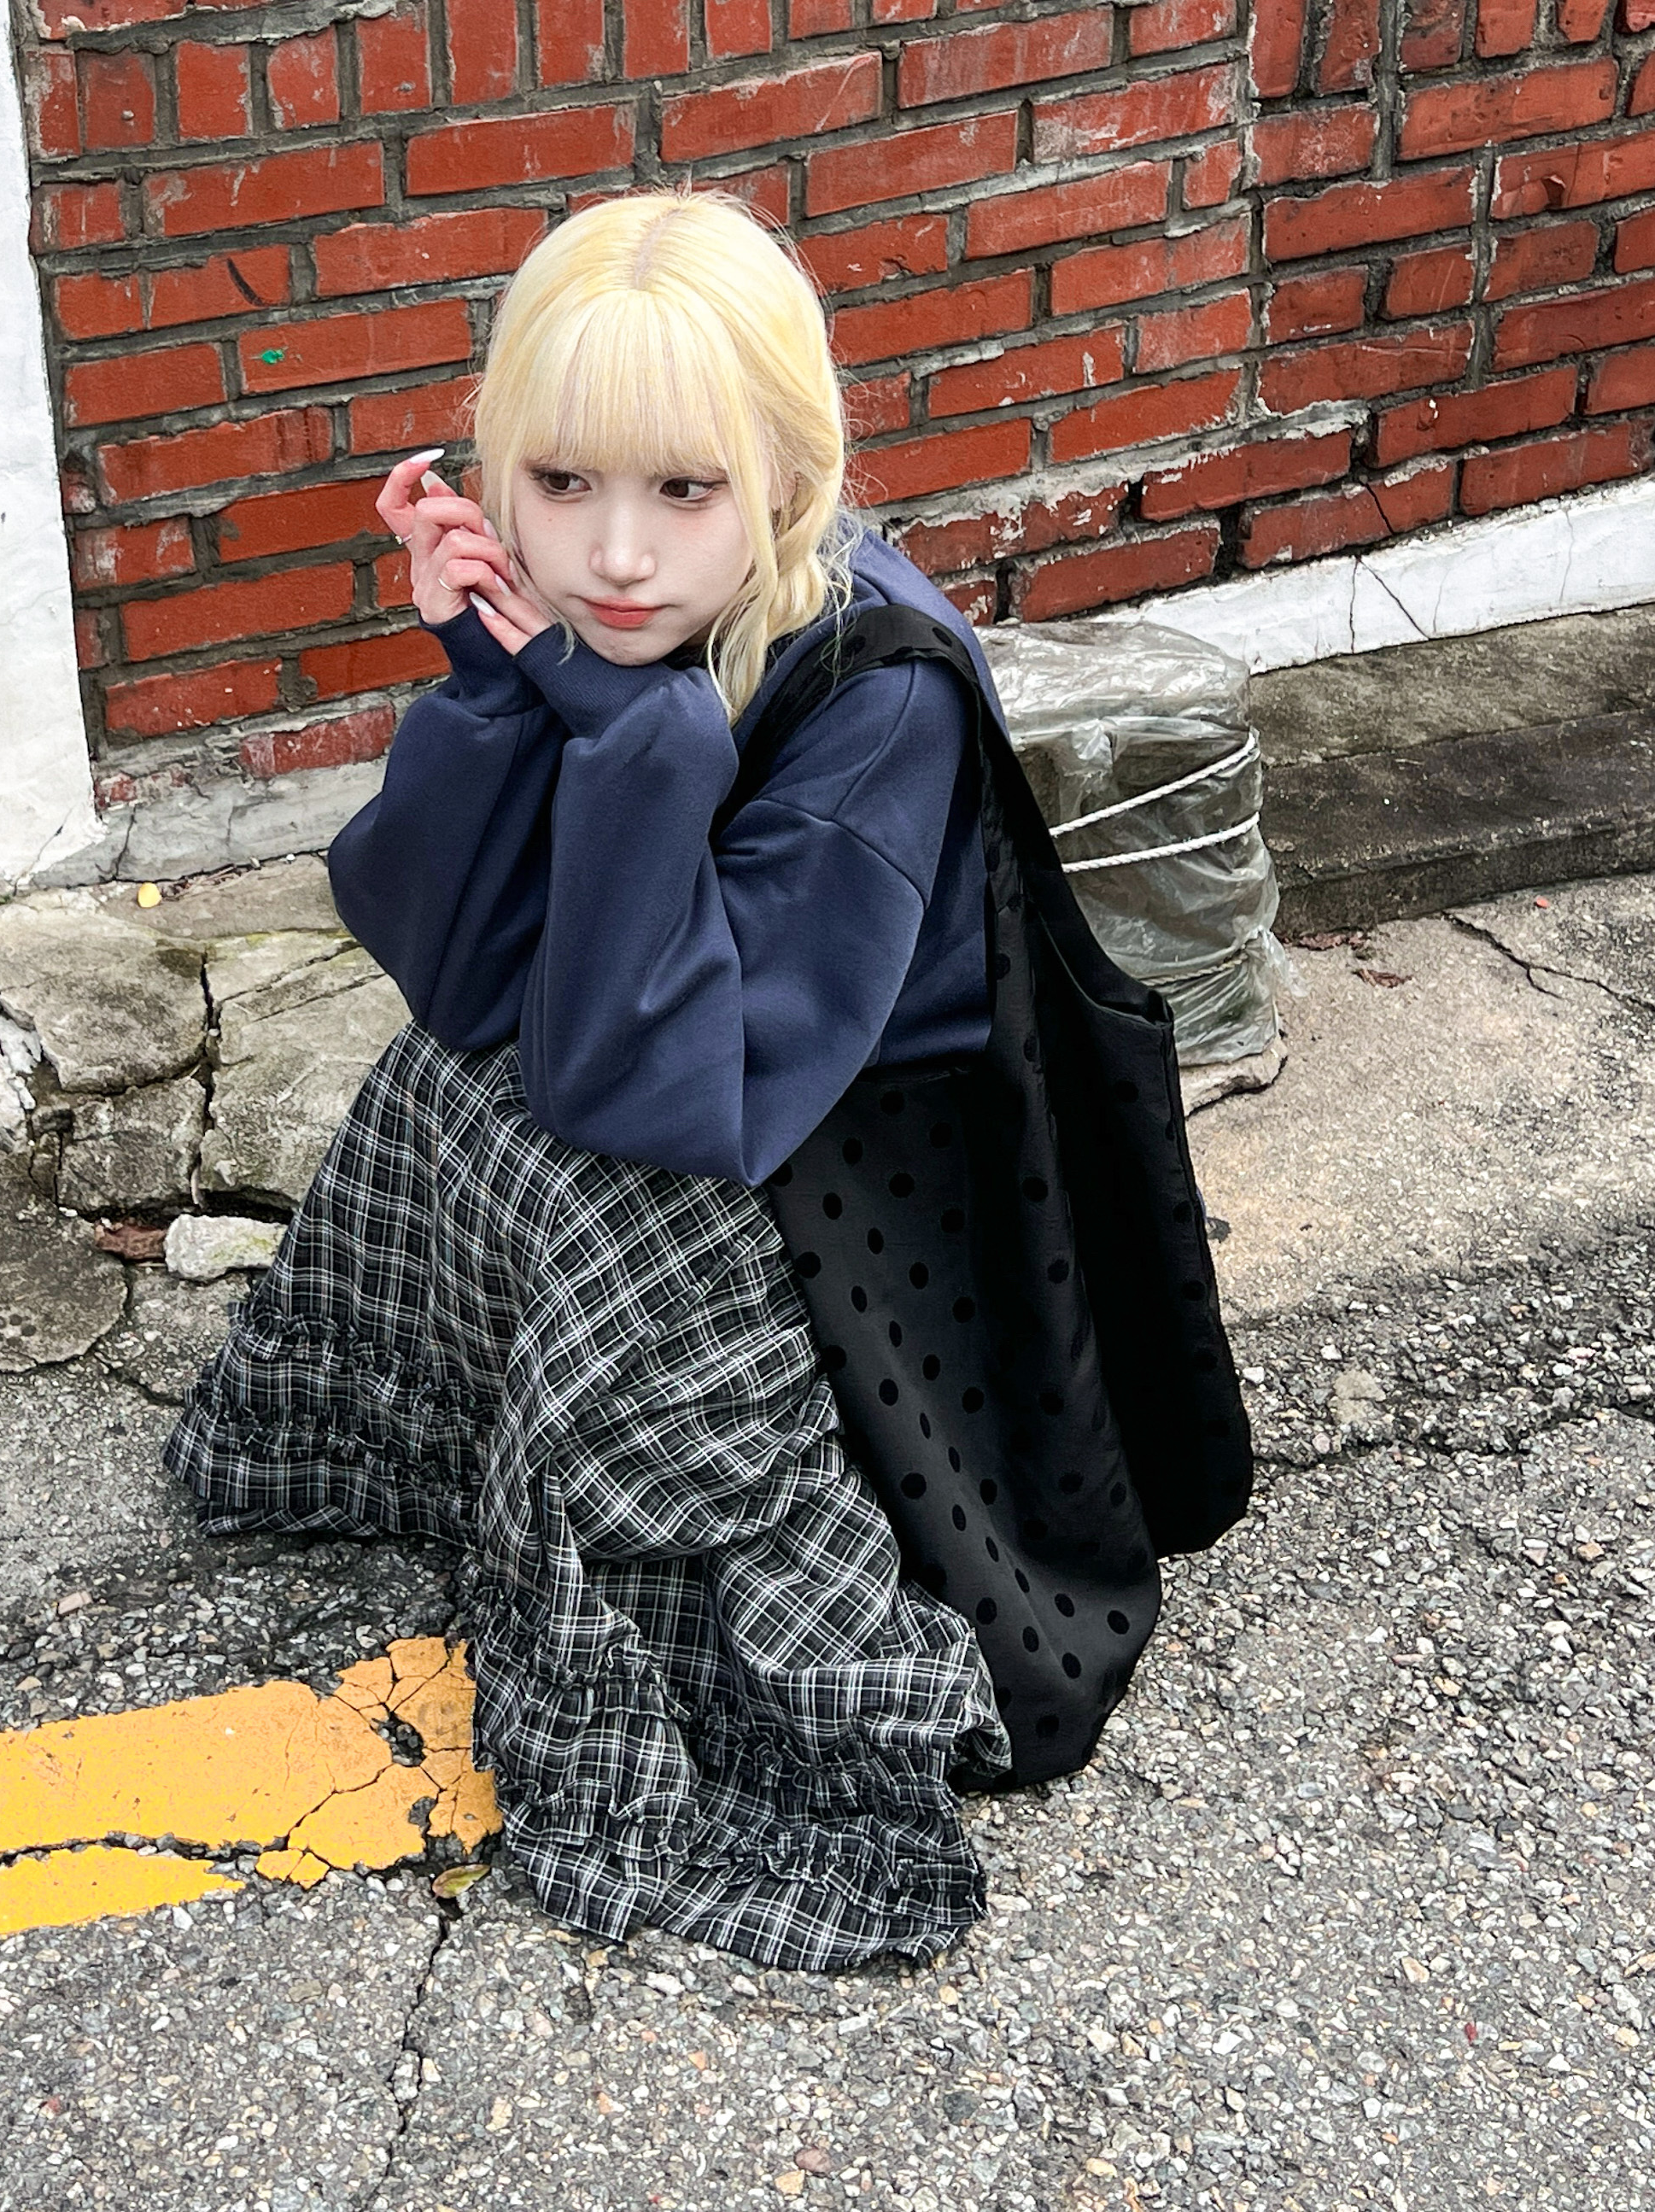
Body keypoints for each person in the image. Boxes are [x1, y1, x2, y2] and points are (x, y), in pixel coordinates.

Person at [168, 189, 1020, 1970]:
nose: (616, 555)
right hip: (664, 1053)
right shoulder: (608, 621)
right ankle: (428, 1450)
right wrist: (495, 681)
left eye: (686, 489)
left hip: (857, 1170)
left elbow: (677, 1092)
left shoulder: (881, 686)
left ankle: (635, 1571)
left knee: (590, 1193)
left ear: (787, 476)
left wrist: (618, 719)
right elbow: (462, 964)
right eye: (559, 485)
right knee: (447, 1077)